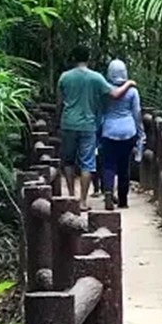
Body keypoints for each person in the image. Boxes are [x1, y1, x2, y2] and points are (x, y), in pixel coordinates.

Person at [56, 46, 136, 208]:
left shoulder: (64, 77)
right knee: (87, 162)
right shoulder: (96, 78)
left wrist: (59, 121)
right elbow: (115, 94)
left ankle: (71, 196)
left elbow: (59, 103)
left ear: (73, 58)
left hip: (68, 123)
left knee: (68, 161)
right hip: (88, 124)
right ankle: (83, 201)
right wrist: (128, 84)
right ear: (88, 59)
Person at [100, 59, 144, 210]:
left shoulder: (105, 90)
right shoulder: (132, 91)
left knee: (108, 165)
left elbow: (100, 111)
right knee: (124, 165)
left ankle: (107, 191)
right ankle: (123, 200)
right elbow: (137, 113)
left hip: (109, 130)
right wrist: (140, 133)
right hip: (127, 131)